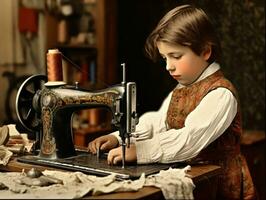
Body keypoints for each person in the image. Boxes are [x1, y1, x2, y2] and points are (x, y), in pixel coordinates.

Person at [88, 4, 256, 199]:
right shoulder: (181, 89)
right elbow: (157, 123)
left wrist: (140, 151)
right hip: (194, 177)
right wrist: (120, 138)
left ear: (205, 52)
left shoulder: (220, 94)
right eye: (164, 57)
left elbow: (189, 139)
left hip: (220, 183)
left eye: (176, 56)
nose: (168, 66)